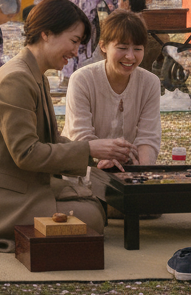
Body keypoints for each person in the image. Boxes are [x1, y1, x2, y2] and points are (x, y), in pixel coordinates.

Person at [0, 0, 134, 251]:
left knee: (92, 199)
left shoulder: (33, 74)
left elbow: (47, 140)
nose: (75, 51)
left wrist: (96, 152)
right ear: (46, 33)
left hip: (18, 185)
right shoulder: (16, 79)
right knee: (92, 215)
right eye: (73, 41)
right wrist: (90, 150)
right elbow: (26, 153)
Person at [64, 11, 162, 174]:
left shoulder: (150, 83)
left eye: (137, 49)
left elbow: (148, 137)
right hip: (83, 168)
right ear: (103, 46)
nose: (130, 56)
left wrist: (142, 171)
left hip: (127, 170)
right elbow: (80, 137)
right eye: (122, 48)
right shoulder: (82, 80)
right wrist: (107, 157)